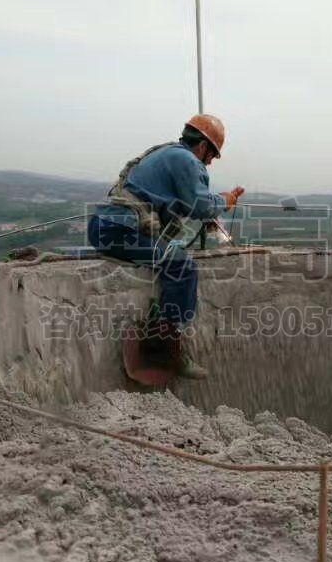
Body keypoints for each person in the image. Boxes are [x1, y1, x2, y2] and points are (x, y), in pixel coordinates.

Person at [88, 114, 244, 380]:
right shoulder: (186, 160)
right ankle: (166, 346)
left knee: (171, 256)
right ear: (204, 146)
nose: (210, 161)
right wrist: (225, 200)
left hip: (108, 228)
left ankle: (163, 334)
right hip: (118, 230)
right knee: (182, 266)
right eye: (212, 155)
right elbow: (200, 205)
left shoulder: (168, 154)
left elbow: (181, 205)